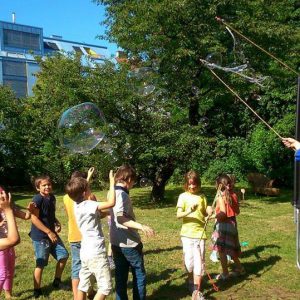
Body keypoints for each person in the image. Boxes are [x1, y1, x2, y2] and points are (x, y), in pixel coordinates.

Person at [65, 170, 116, 300]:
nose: (90, 189)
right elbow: (111, 203)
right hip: (96, 252)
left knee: (83, 284)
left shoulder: (76, 205)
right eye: (89, 187)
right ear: (84, 193)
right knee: (105, 287)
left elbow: (81, 190)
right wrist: (112, 183)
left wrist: (88, 177)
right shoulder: (89, 205)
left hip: (85, 251)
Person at [110, 164, 155, 300]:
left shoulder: (111, 191)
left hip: (116, 242)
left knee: (120, 276)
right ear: (129, 179)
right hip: (129, 243)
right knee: (139, 274)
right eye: (133, 181)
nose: (133, 184)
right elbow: (120, 218)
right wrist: (141, 226)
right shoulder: (122, 194)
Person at [29, 175, 69, 299]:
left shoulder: (52, 197)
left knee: (63, 255)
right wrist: (49, 232)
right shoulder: (37, 199)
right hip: (41, 237)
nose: (47, 186)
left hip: (52, 234)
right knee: (41, 263)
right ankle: (37, 290)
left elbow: (49, 215)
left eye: (49, 184)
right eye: (44, 185)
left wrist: (56, 222)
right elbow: (34, 219)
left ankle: (57, 281)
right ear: (37, 188)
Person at [176, 171, 212, 300]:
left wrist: (209, 211)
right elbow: (178, 215)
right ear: (186, 184)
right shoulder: (183, 196)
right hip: (186, 234)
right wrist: (189, 210)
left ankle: (196, 292)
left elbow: (205, 210)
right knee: (189, 263)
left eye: (195, 184)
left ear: (199, 184)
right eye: (190, 184)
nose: (192, 187)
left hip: (200, 234)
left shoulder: (202, 196)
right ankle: (191, 282)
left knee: (199, 263)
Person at [63, 168, 97, 300]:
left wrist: (87, 178)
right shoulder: (89, 198)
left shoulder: (66, 198)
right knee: (90, 265)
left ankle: (77, 295)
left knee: (77, 266)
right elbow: (98, 214)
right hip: (88, 238)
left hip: (73, 236)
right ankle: (89, 291)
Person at [211, 174, 244, 280]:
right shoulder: (233, 195)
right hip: (232, 225)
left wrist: (211, 216)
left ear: (219, 185)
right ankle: (240, 269)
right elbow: (237, 212)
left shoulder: (221, 196)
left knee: (221, 250)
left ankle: (225, 273)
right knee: (232, 249)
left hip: (223, 226)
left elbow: (223, 214)